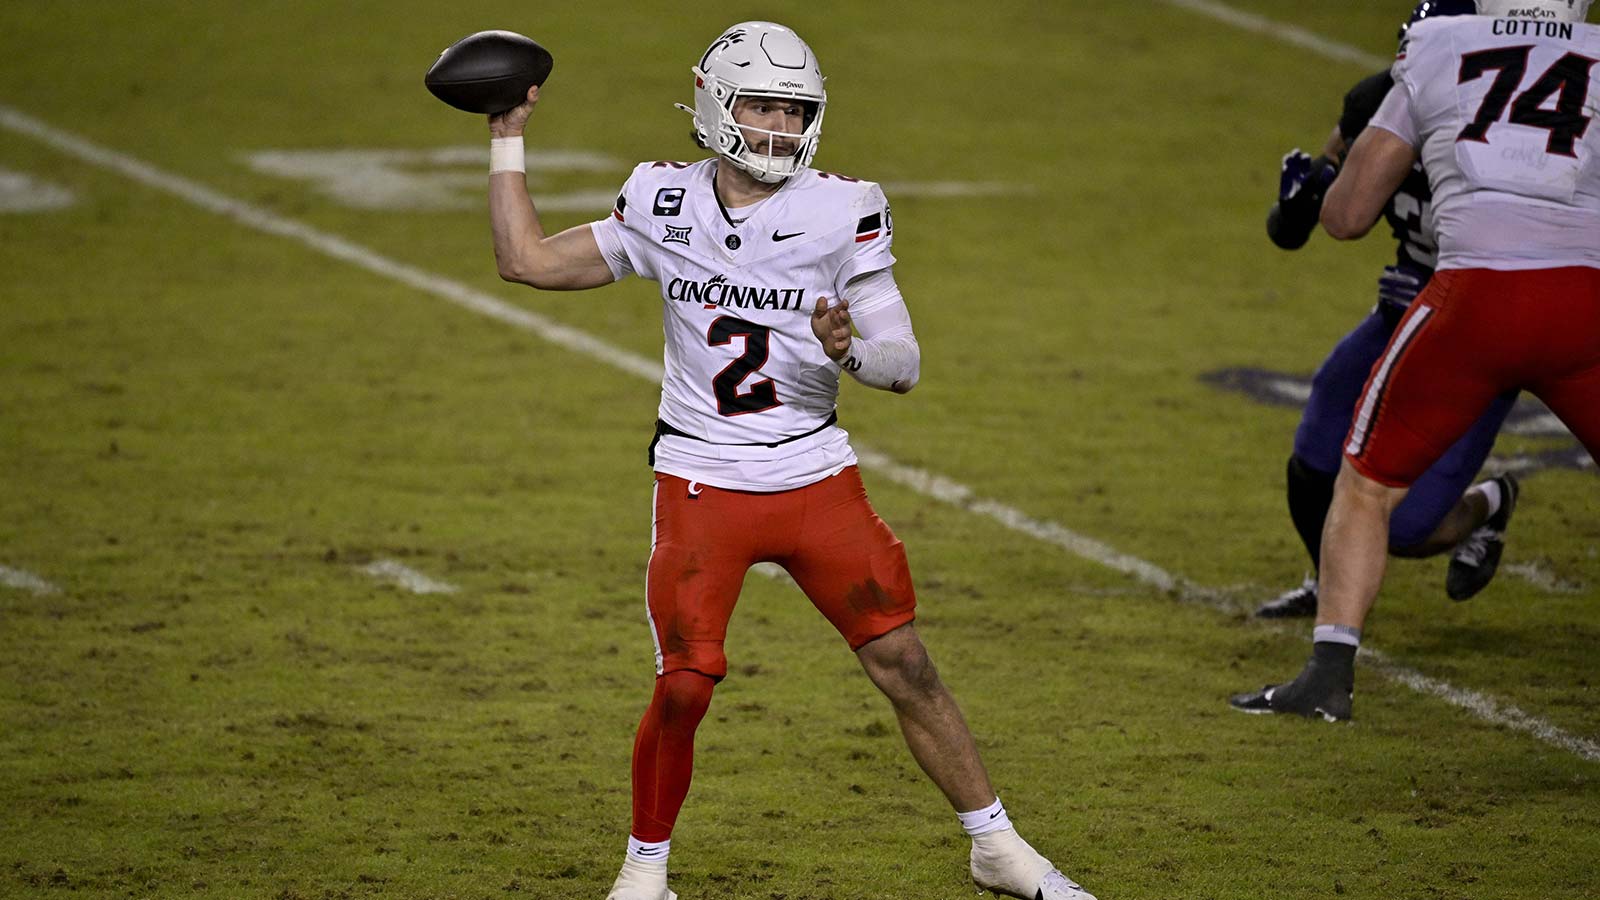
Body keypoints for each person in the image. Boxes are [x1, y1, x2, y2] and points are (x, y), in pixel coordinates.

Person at [482, 21, 1098, 900]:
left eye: (795, 111)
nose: (779, 127)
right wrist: (508, 137)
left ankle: (996, 847)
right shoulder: (661, 198)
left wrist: (848, 352)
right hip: (702, 479)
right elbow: (526, 261)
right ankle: (645, 871)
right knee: (685, 685)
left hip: (814, 478)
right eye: (762, 107)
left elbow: (904, 365)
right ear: (715, 105)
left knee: (905, 662)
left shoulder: (842, 209)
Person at [1232, 0, 1600, 721]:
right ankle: (1325, 589)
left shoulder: (1438, 48)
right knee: (1322, 451)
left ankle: (1329, 674)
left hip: (1474, 301)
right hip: (1581, 300)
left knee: (1367, 487)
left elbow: (1346, 214)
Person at [1256, 56, 1523, 620]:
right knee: (1312, 461)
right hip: (1400, 316)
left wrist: (1439, 291)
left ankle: (1490, 502)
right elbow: (1294, 227)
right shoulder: (1377, 100)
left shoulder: (1512, 130)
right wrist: (1300, 204)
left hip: (1479, 330)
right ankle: (1328, 585)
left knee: (1404, 527)